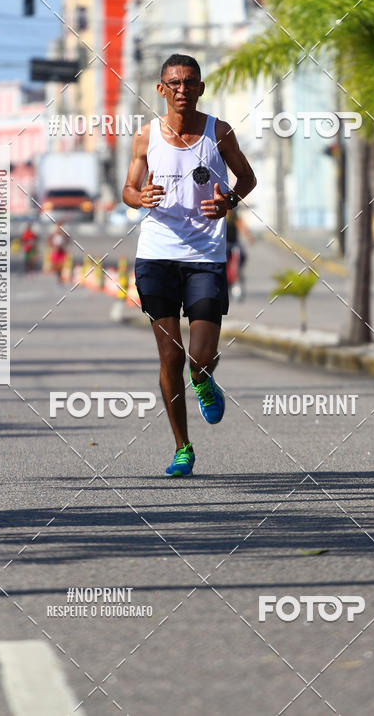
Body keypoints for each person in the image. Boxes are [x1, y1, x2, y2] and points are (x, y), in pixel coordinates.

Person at [122, 53, 257, 477]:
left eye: (190, 83)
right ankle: (183, 447)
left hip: (204, 256)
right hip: (157, 255)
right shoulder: (145, 137)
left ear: (200, 88)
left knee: (200, 357)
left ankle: (204, 380)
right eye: (174, 83)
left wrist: (229, 202)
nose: (182, 90)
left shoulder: (219, 132)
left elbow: (247, 178)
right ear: (161, 90)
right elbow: (128, 187)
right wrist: (138, 197)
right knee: (170, 355)